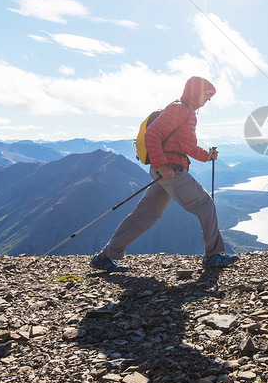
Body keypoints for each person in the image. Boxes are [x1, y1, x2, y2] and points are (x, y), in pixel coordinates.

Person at [91, 76, 237, 271]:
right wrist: (161, 165)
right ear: (196, 91)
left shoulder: (188, 111)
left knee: (146, 214)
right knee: (205, 205)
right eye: (207, 94)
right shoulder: (180, 108)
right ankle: (214, 255)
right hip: (170, 170)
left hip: (167, 170)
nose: (209, 99)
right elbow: (151, 134)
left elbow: (187, 146)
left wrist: (207, 156)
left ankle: (106, 256)